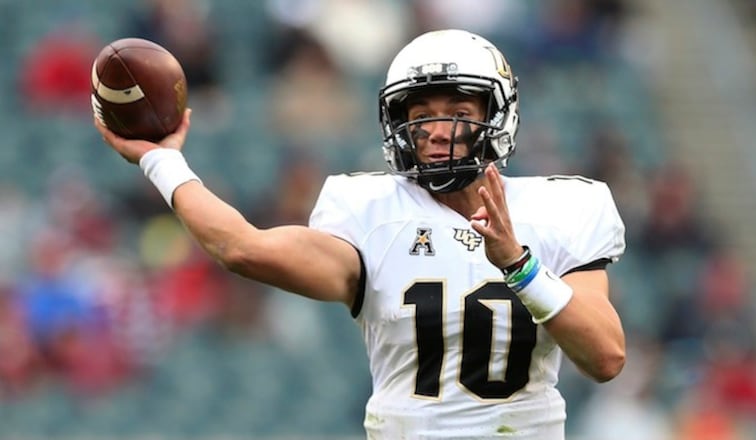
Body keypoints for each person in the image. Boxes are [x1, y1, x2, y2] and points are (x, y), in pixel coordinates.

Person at [95, 29, 626, 439]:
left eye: (460, 112)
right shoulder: (372, 213)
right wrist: (164, 163)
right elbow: (240, 247)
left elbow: (605, 356)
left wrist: (519, 264)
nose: (438, 130)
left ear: (497, 116)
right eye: (421, 115)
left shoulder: (562, 208)